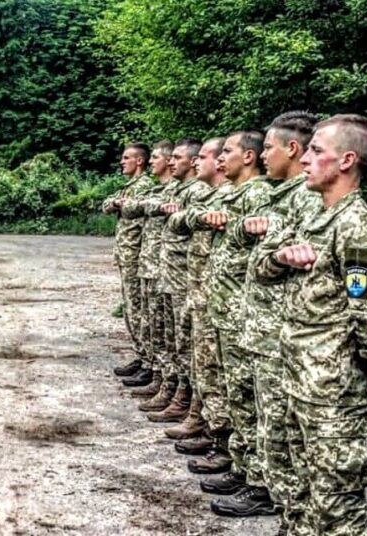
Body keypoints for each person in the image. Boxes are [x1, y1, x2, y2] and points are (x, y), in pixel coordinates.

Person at [255, 115, 367, 536]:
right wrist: (282, 257)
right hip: (298, 379)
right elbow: (261, 266)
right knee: (300, 497)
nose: (305, 160)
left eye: (317, 151)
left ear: (347, 161)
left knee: (337, 511)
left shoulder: (356, 227)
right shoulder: (315, 217)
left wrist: (366, 367)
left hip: (331, 393)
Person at [215, 112, 322, 523]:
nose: (263, 157)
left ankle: (272, 494)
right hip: (260, 323)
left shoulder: (306, 199)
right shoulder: (283, 195)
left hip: (281, 330)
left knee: (278, 423)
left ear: (291, 149)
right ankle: (260, 482)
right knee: (260, 412)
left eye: (270, 149)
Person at [197, 131, 272, 506]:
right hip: (227, 307)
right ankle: (241, 467)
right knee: (235, 392)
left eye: (227, 151)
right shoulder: (237, 195)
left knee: (247, 397)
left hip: (245, 313)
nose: (219, 157)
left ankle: (256, 479)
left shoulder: (258, 195)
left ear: (249, 156)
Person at [167, 137, 234, 467]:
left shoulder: (248, 198)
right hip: (202, 294)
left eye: (222, 153)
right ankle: (206, 423)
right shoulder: (215, 198)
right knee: (201, 364)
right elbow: (179, 221)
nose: (199, 163)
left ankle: (220, 438)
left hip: (222, 303)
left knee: (216, 371)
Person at [150, 138, 210, 426]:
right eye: (170, 157)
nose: (171, 162)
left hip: (187, 277)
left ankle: (189, 403)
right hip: (172, 274)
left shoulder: (198, 190)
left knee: (187, 345)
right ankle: (177, 392)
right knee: (173, 338)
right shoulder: (181, 189)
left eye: (178, 157)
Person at [120, 141, 179, 407]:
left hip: (162, 268)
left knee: (159, 325)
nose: (122, 162)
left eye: (156, 157)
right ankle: (151, 366)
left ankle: (158, 370)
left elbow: (133, 206)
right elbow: (126, 206)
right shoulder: (156, 190)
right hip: (146, 260)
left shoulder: (165, 189)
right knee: (143, 317)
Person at [104, 143, 153, 380]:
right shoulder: (129, 186)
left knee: (137, 310)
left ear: (140, 161)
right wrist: (115, 203)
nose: (122, 162)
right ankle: (141, 355)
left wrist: (121, 204)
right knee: (130, 309)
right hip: (126, 253)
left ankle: (148, 361)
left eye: (127, 158)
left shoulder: (144, 186)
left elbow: (133, 210)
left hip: (136, 253)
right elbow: (107, 205)